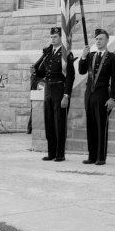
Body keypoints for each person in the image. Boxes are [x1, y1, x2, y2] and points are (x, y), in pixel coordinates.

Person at [34, 27, 75, 162]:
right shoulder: (48, 53)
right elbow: (42, 73)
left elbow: (70, 77)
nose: (53, 39)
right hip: (48, 90)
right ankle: (51, 152)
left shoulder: (65, 54)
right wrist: (35, 69)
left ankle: (60, 154)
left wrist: (66, 95)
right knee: (49, 122)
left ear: (61, 38)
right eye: (51, 37)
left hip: (59, 89)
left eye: (55, 37)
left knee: (60, 123)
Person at [78, 29, 115, 165]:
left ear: (107, 40)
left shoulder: (111, 57)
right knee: (91, 126)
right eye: (97, 39)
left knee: (101, 125)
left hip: (102, 94)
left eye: (101, 39)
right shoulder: (90, 55)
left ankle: (101, 157)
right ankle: (91, 156)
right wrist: (83, 56)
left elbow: (114, 79)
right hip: (89, 94)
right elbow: (82, 71)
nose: (98, 41)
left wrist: (112, 97)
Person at [27, 64, 39, 134]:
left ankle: (30, 128)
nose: (30, 69)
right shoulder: (32, 76)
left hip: (37, 95)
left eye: (32, 68)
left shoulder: (37, 76)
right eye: (30, 68)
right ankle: (29, 128)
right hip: (33, 95)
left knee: (34, 112)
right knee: (33, 112)